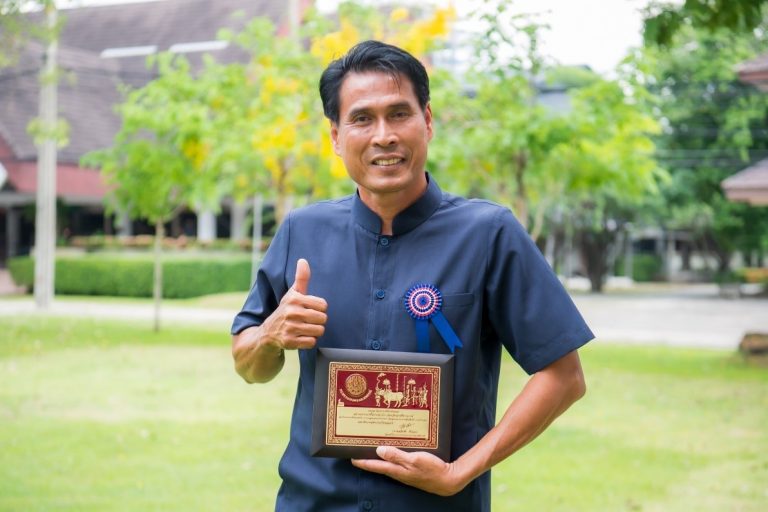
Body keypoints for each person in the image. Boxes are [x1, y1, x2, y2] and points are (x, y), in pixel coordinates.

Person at [231, 40, 593, 511]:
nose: (383, 136)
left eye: (399, 114)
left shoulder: (489, 234)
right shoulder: (302, 231)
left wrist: (460, 472)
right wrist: (270, 336)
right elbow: (249, 366)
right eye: (362, 119)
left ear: (428, 121)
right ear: (336, 137)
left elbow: (564, 376)